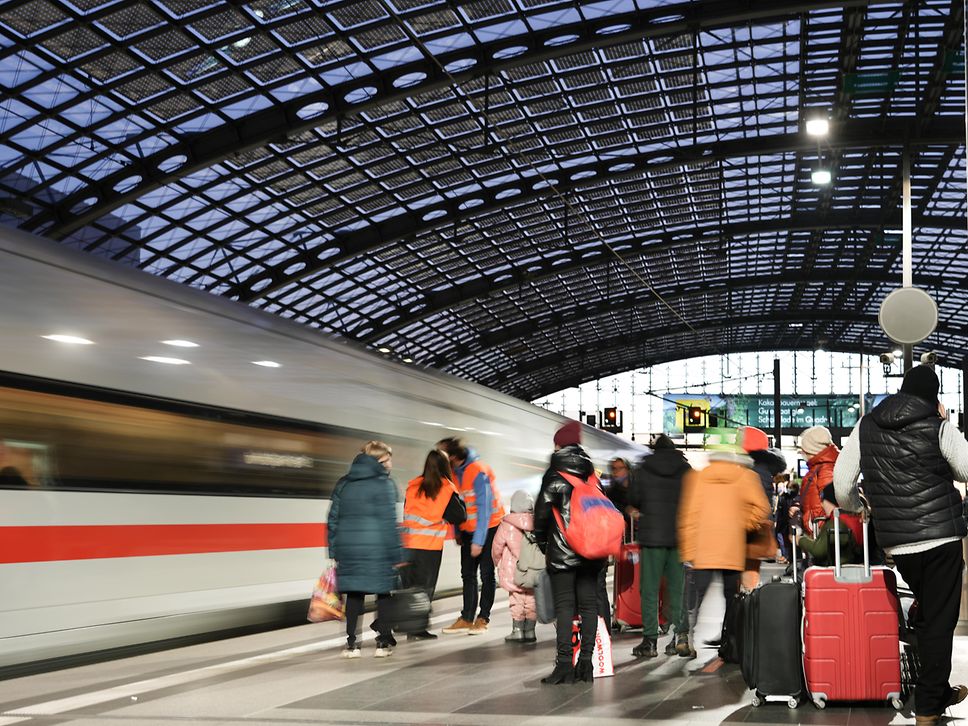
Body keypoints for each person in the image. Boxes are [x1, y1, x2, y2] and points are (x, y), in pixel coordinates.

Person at [834, 365, 968, 726]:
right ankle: (928, 706)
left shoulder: (866, 425)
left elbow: (842, 484)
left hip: (899, 544)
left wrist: (860, 507)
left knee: (927, 616)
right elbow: (966, 469)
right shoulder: (938, 425)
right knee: (939, 621)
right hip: (941, 539)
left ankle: (937, 690)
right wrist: (945, 428)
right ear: (934, 397)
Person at [677, 444, 770, 659]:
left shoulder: (697, 477)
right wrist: (744, 524)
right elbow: (762, 508)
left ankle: (687, 638)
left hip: (703, 549)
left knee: (695, 597)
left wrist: (688, 551)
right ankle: (730, 644)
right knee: (731, 598)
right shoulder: (746, 477)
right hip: (732, 548)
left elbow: (688, 516)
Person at [533, 420, 606, 684]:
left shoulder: (554, 473)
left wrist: (546, 545)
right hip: (591, 552)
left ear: (559, 445)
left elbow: (541, 516)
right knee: (589, 607)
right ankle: (586, 664)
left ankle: (564, 665)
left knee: (564, 608)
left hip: (562, 553)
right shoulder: (591, 474)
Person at [327, 441, 403, 659]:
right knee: (383, 594)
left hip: (349, 549)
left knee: (354, 595)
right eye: (387, 459)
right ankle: (383, 643)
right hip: (378, 549)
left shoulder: (344, 483)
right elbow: (389, 522)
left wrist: (334, 551)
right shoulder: (385, 484)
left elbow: (332, 519)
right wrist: (397, 553)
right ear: (378, 460)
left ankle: (352, 644)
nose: (390, 464)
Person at [627, 434, 691, 659]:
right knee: (677, 589)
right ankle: (680, 637)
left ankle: (650, 641)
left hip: (652, 536)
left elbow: (633, 498)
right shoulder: (685, 469)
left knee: (650, 589)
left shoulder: (644, 468)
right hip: (678, 537)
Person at [438, 437, 505, 635]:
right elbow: (459, 506)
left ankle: (483, 618)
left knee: (486, 573)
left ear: (453, 457)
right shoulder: (453, 473)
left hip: (489, 527)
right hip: (468, 530)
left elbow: (484, 509)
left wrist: (478, 541)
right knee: (467, 573)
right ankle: (467, 618)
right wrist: (458, 532)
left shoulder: (478, 471)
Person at [401, 449, 467, 641]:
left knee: (409, 587)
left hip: (408, 544)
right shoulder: (445, 488)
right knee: (424, 589)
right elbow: (459, 516)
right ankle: (417, 630)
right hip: (428, 547)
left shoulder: (413, 485)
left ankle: (408, 626)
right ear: (445, 466)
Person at [740, 426, 787, 590]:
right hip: (753, 527)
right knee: (749, 571)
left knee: (747, 574)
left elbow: (757, 504)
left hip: (749, 528)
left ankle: (746, 599)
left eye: (739, 439)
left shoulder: (754, 469)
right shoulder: (762, 469)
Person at [492, 490, 538, 644]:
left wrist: (497, 562)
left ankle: (517, 631)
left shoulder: (506, 524)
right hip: (532, 569)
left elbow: (497, 547)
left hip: (513, 570)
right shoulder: (537, 523)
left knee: (516, 600)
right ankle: (530, 631)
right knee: (531, 600)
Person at [796, 484, 862, 566]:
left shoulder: (836, 524)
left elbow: (819, 550)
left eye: (823, 500)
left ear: (832, 501)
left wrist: (799, 540)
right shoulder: (856, 518)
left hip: (839, 568)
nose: (822, 504)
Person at [799, 425, 839, 537]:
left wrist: (818, 527)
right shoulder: (819, 468)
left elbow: (832, 506)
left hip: (822, 533)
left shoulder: (825, 470)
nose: (802, 452)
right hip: (818, 530)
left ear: (811, 449)